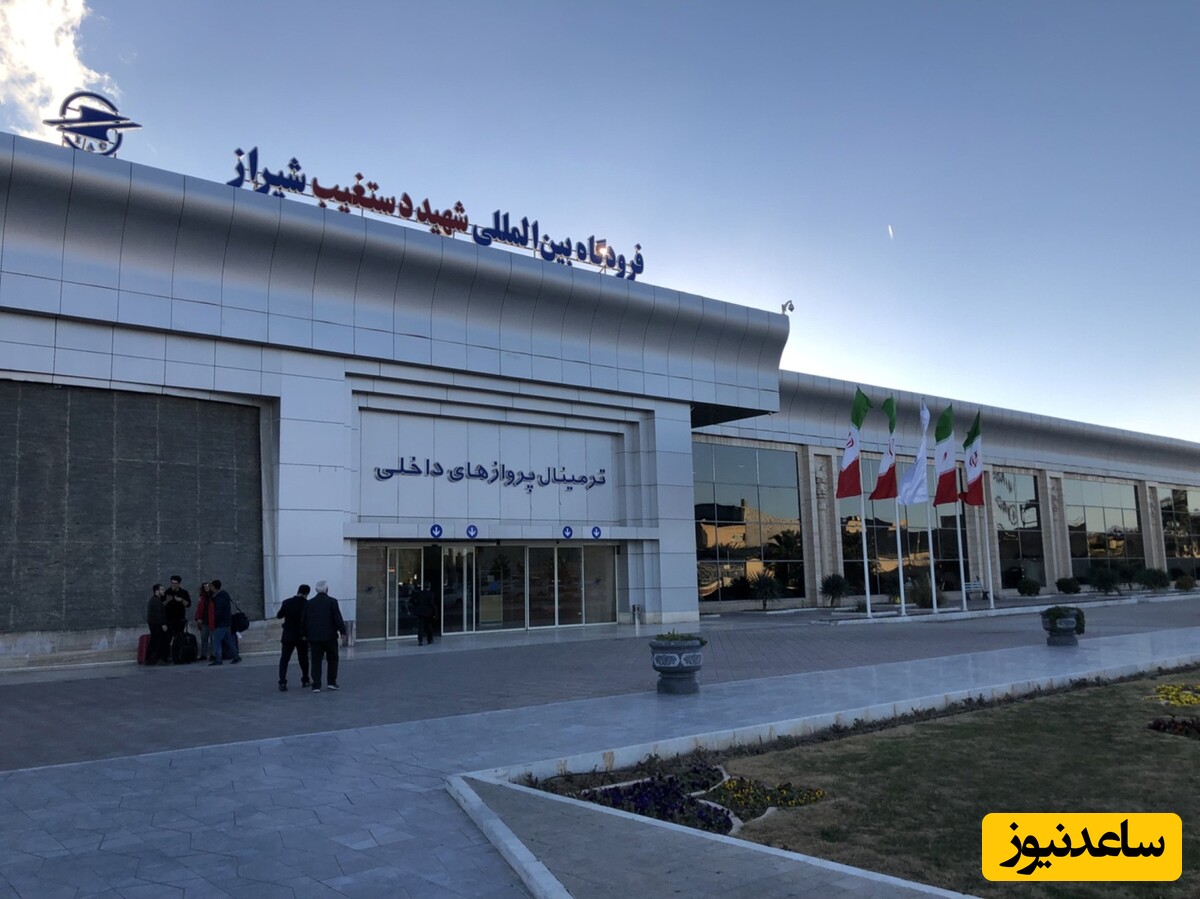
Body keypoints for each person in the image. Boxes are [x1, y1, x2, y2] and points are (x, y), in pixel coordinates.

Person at [303, 580, 346, 692]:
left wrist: (304, 634)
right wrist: (342, 631)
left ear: (316, 590)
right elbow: (337, 617)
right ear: (327, 589)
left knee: (316, 661)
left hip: (315, 638)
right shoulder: (332, 602)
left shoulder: (309, 603)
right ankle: (331, 682)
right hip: (330, 637)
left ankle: (316, 685)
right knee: (332, 659)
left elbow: (305, 620)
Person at [276, 584, 311, 692]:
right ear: (307, 593)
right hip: (301, 636)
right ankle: (305, 680)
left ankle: (282, 681)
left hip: (288, 635)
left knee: (284, 659)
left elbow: (279, 615)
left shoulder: (287, 602)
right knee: (303, 659)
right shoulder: (307, 604)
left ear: (298, 591)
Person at [208, 579, 241, 666]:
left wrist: (215, 622)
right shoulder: (224, 595)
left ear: (215, 587)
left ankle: (218, 659)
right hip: (227, 622)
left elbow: (218, 612)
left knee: (217, 641)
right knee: (229, 640)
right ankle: (236, 656)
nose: (210, 588)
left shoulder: (219, 598)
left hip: (221, 623)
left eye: (211, 586)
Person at [145, 583, 169, 664]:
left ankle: (150, 659)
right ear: (157, 591)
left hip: (154, 624)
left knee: (154, 641)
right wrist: (163, 624)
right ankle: (154, 659)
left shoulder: (155, 600)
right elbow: (158, 614)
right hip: (156, 625)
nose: (163, 591)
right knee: (157, 642)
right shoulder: (156, 601)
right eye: (162, 590)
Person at [162, 575, 191, 640]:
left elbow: (188, 605)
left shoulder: (184, 592)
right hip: (168, 619)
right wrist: (167, 601)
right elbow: (161, 606)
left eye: (175, 583)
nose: (173, 585)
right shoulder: (166, 592)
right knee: (167, 637)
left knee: (179, 638)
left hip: (180, 619)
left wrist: (181, 600)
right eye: (172, 583)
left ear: (179, 584)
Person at [413, 581, 437, 646]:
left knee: (420, 627)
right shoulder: (430, 594)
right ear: (429, 587)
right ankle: (429, 640)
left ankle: (420, 641)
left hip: (420, 612)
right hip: (428, 613)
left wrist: (416, 606)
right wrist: (434, 612)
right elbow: (432, 604)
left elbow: (413, 600)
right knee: (429, 627)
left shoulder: (419, 593)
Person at [195, 582, 214, 661]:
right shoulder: (202, 597)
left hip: (212, 620)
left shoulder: (213, 596)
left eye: (207, 586)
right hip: (204, 620)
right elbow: (199, 608)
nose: (206, 588)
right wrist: (198, 618)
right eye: (205, 587)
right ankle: (204, 654)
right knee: (204, 638)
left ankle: (213, 654)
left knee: (213, 638)